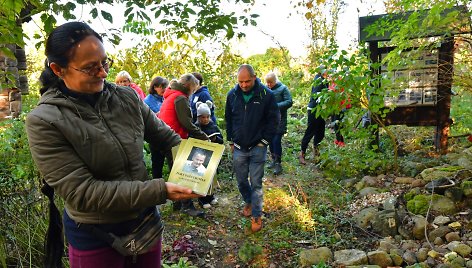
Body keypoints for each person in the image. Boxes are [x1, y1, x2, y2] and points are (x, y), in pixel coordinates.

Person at [25, 22, 199, 268]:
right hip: (96, 234)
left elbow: (166, 138)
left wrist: (197, 168)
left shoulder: (126, 97)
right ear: (58, 69)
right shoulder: (44, 121)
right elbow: (83, 193)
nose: (103, 73)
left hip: (143, 221)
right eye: (90, 68)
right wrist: (160, 190)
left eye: (105, 63)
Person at [225, 64, 279, 232]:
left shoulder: (266, 95)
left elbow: (274, 120)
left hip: (258, 147)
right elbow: (229, 118)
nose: (244, 85)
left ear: (255, 77)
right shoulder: (232, 95)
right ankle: (248, 200)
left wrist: (264, 141)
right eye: (240, 82)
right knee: (241, 180)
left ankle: (257, 214)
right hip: (239, 147)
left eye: (247, 81)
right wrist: (231, 141)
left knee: (256, 183)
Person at [159, 73, 209, 217]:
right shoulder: (180, 97)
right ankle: (187, 206)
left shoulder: (171, 94)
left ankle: (177, 202)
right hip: (175, 138)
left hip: (165, 138)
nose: (194, 91)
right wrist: (203, 136)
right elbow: (186, 123)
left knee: (175, 171)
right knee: (185, 173)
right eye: (194, 88)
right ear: (188, 86)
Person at [193, 101, 224, 208]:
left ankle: (211, 196)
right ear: (198, 117)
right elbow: (191, 141)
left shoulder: (213, 126)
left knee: (211, 177)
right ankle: (202, 199)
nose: (205, 119)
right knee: (201, 178)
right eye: (202, 117)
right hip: (200, 157)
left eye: (207, 117)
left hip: (212, 157)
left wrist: (216, 139)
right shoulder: (195, 128)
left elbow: (221, 140)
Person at [299, 68, 329, 165]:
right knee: (310, 131)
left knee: (320, 132)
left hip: (321, 111)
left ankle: (316, 152)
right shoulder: (318, 81)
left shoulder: (324, 80)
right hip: (314, 110)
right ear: (323, 71)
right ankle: (302, 153)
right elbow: (317, 96)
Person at [264, 72, 293, 175]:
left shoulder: (283, 88)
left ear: (275, 80)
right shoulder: (266, 89)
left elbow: (289, 101)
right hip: (269, 121)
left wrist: (276, 106)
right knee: (271, 141)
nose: (268, 85)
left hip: (280, 120)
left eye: (270, 82)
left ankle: (278, 163)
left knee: (276, 140)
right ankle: (273, 160)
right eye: (267, 83)